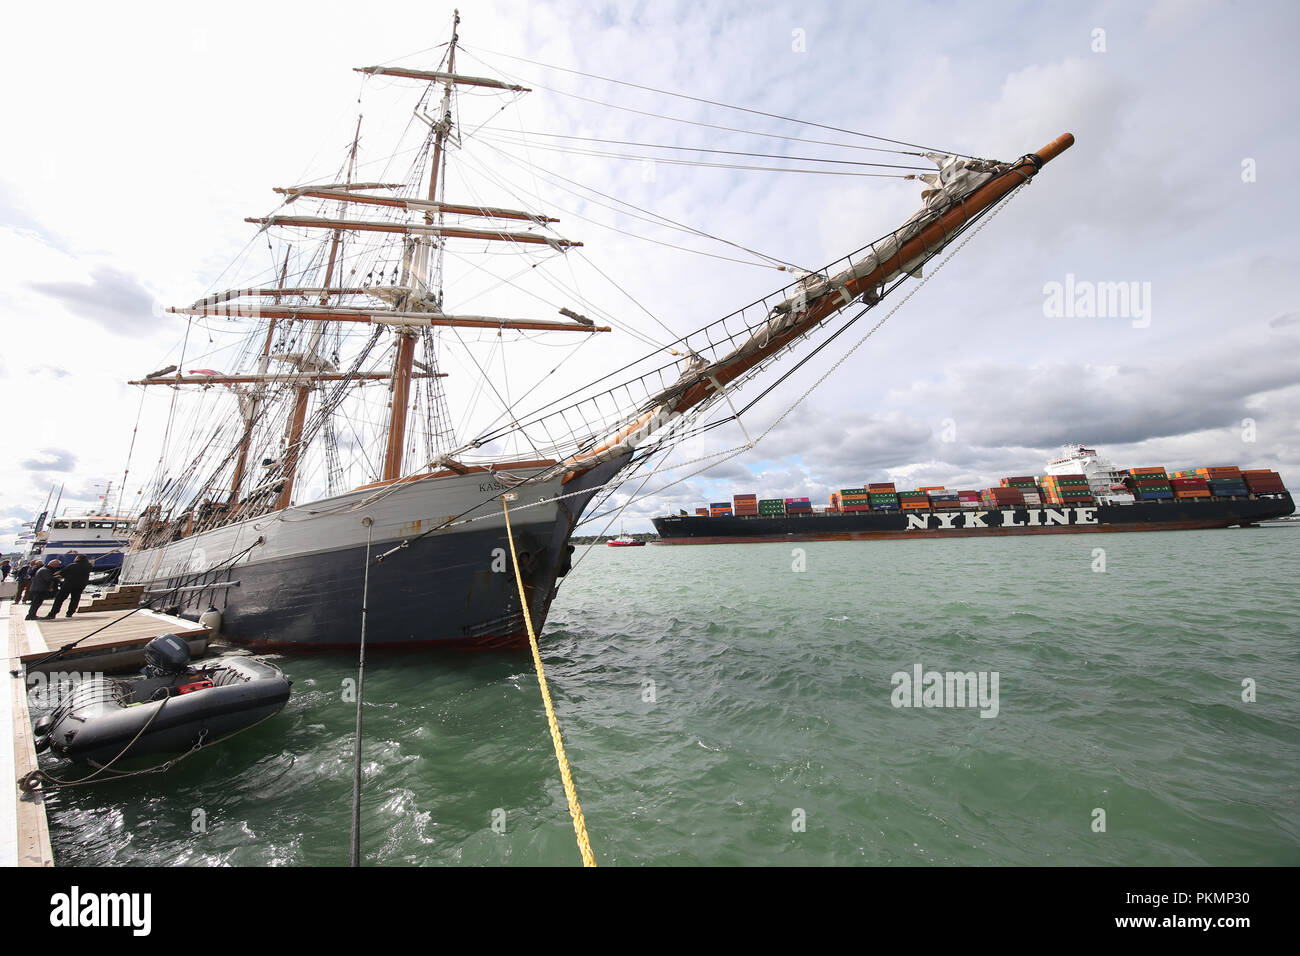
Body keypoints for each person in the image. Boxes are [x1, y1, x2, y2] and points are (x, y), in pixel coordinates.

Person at [47, 554, 91, 618]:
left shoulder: (72, 565)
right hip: (80, 585)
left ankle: (53, 613)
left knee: (59, 599)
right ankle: (70, 613)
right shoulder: (88, 566)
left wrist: (57, 575)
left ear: (78, 558)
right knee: (75, 599)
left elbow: (63, 573)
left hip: (68, 584)